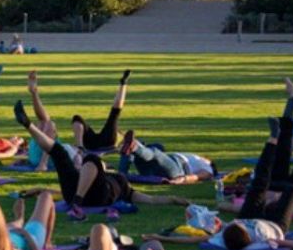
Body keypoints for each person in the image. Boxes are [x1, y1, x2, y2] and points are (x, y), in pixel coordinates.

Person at [144, 118, 293, 250]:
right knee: (292, 190)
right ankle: (282, 142)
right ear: (247, 234)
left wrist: (161, 238)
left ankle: (273, 139)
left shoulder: (223, 235)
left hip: (250, 213)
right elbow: (292, 243)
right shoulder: (265, 241)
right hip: (275, 224)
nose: (231, 222)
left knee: (259, 183)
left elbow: (193, 240)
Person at [14, 97, 189, 222]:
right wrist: (37, 190)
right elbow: (55, 192)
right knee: (59, 152)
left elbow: (152, 200)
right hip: (75, 193)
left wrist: (176, 200)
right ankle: (28, 124)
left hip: (96, 196)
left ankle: (77, 204)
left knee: (91, 158)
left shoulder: (127, 189)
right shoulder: (101, 179)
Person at [22, 70, 80, 172]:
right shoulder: (73, 152)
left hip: (46, 157)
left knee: (45, 124)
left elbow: (78, 162)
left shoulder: (71, 153)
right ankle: (34, 93)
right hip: (47, 155)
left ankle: (34, 93)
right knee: (45, 123)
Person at [116, 131, 216, 184]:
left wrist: (182, 179)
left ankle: (134, 146)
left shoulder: (208, 168)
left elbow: (198, 176)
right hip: (154, 170)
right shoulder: (199, 161)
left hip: (178, 168)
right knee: (156, 147)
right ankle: (133, 146)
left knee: (155, 152)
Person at [71, 70, 131, 151]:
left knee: (77, 118)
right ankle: (123, 84)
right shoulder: (120, 135)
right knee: (115, 113)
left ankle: (80, 147)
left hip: (93, 144)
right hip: (105, 142)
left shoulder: (119, 135)